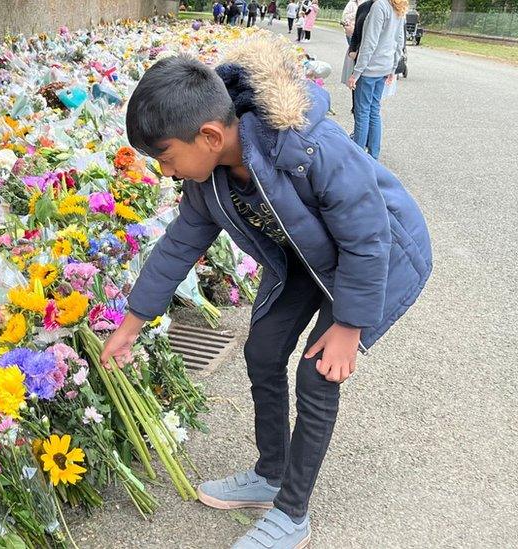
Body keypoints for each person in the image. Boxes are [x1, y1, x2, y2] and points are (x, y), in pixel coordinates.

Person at [109, 35, 431, 549]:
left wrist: (348, 326)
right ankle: (271, 472)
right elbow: (177, 248)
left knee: (319, 372)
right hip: (307, 258)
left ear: (210, 134)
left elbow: (367, 237)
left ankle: (292, 513)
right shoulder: (207, 179)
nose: (162, 172)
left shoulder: (308, 145)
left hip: (382, 256)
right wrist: (131, 324)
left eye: (165, 158)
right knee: (261, 350)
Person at [348, 0, 407, 158]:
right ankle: (373, 155)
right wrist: (393, 68)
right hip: (384, 67)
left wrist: (356, 72)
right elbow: (399, 41)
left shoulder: (379, 6)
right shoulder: (398, 7)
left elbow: (369, 42)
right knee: (374, 110)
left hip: (370, 69)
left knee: (362, 112)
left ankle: (358, 158)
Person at [341, 0, 375, 114]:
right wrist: (352, 49)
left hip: (371, 60)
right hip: (359, 53)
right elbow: (357, 33)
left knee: (366, 108)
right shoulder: (362, 6)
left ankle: (360, 130)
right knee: (362, 106)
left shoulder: (383, 8)